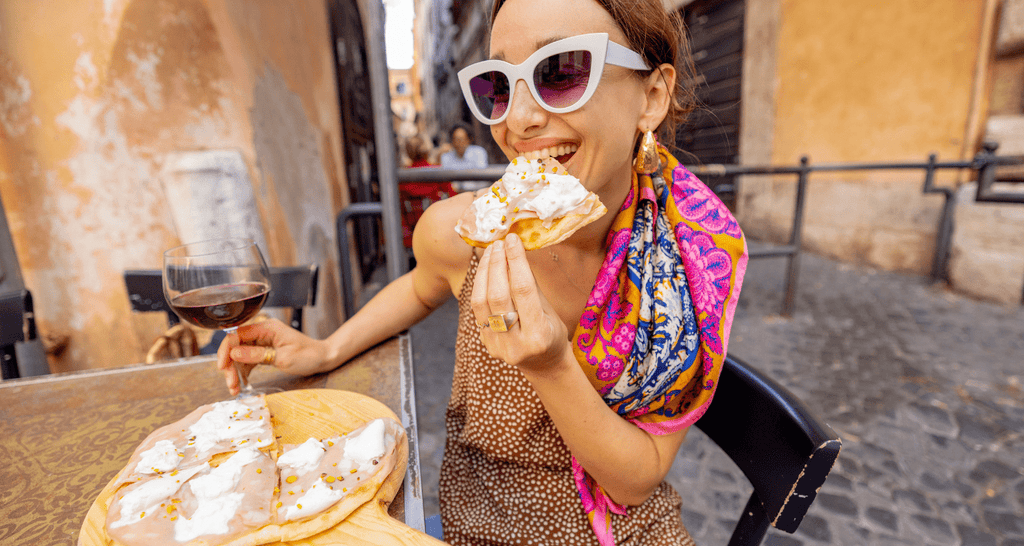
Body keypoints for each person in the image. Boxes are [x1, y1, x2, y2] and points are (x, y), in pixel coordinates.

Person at [217, 0, 747, 544]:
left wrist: (552, 366)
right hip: (488, 522)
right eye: (499, 84)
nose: (518, 120)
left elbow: (637, 482)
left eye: (561, 72)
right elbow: (420, 287)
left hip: (629, 527)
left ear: (651, 97)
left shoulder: (689, 260)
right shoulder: (463, 232)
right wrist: (327, 348)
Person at [440, 123, 490, 191]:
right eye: (456, 140)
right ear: (452, 141)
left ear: (468, 139)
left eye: (462, 139)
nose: (459, 143)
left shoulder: (479, 152)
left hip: (476, 193)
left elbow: (482, 180)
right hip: (455, 196)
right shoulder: (446, 157)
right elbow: (446, 182)